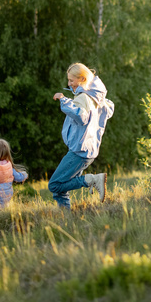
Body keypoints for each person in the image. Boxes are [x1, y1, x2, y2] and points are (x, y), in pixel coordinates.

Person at [49, 63, 114, 210]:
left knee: (54, 185)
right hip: (86, 150)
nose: (69, 84)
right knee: (61, 187)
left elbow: (82, 117)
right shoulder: (95, 98)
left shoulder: (84, 97)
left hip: (79, 151)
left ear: (82, 79)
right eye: (69, 80)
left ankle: (91, 180)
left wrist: (63, 100)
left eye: (72, 80)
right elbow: (105, 111)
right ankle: (65, 217)